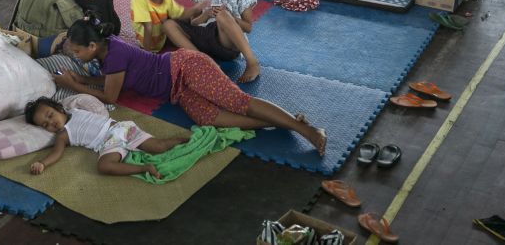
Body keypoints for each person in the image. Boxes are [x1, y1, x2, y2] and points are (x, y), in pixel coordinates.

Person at [52, 18, 327, 154]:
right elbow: (113, 80)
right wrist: (84, 79)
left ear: (91, 46)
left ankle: (305, 128)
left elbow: (111, 94)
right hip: (177, 91)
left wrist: (72, 85)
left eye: (77, 52)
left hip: (184, 67)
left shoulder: (114, 54)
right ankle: (283, 122)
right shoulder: (105, 53)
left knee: (238, 102)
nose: (76, 58)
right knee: (211, 119)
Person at [24, 97, 189, 179]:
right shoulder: (62, 135)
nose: (51, 123)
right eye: (45, 125)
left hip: (120, 128)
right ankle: (145, 168)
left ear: (59, 108)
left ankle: (184, 139)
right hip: (109, 143)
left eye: (50, 115)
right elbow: (56, 153)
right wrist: (42, 163)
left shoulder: (73, 109)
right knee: (104, 167)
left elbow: (85, 99)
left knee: (158, 146)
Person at [163, 0, 261, 83]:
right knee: (168, 24)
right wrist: (206, 14)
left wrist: (231, 17)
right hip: (204, 39)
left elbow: (248, 28)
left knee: (223, 15)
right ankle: (202, 61)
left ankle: (252, 63)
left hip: (227, 43)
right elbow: (194, 23)